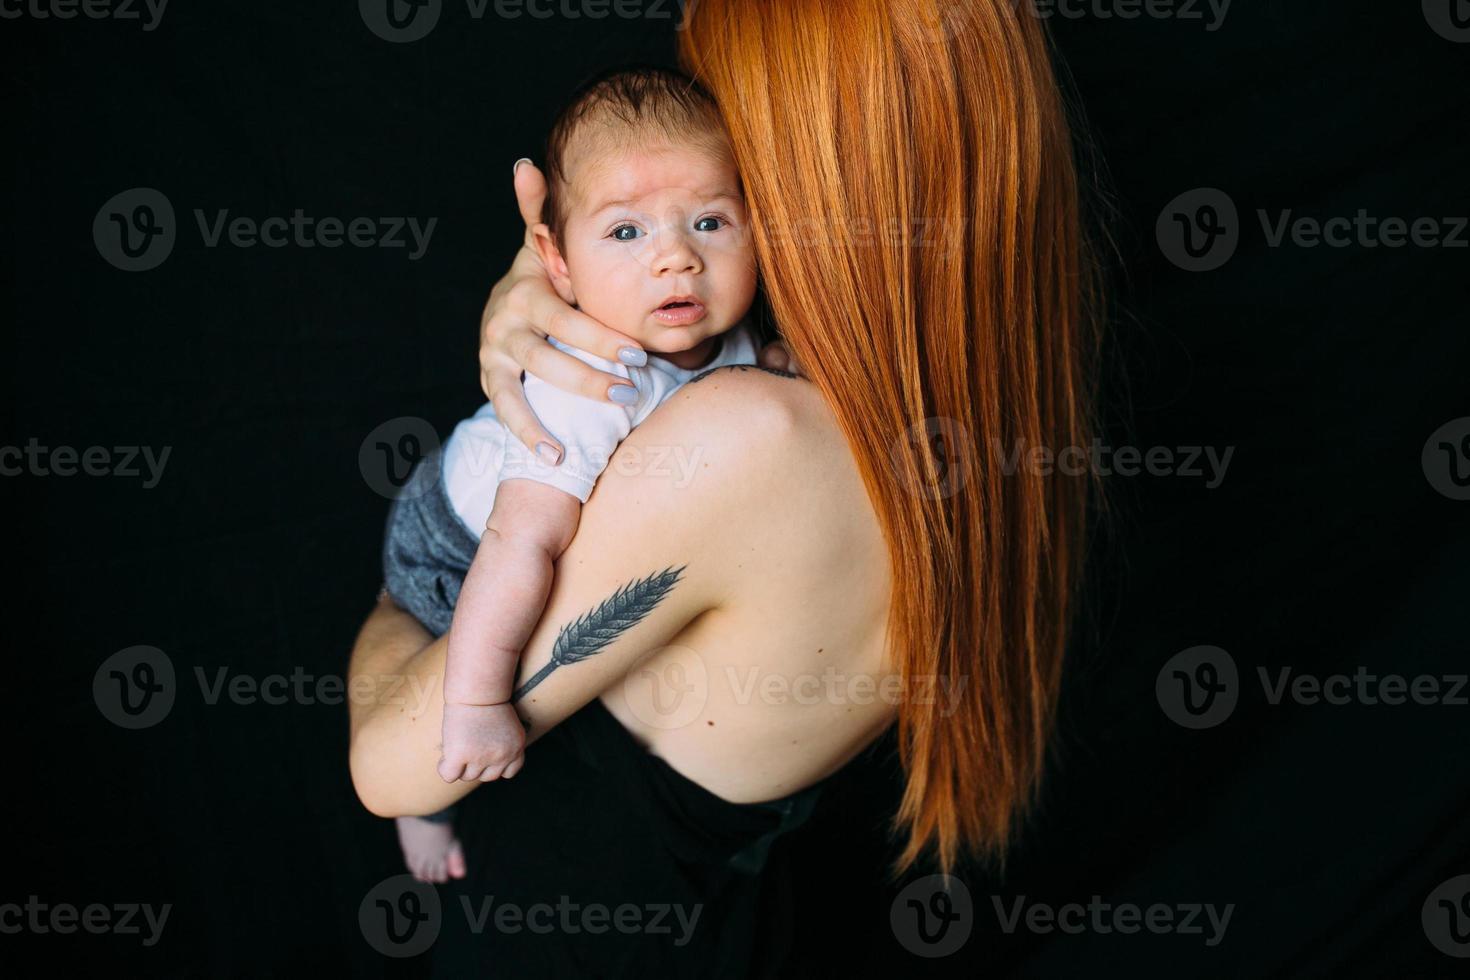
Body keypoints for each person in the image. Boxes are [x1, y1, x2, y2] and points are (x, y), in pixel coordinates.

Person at [349, 0, 1099, 972]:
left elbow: (385, 767)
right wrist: (544, 279)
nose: (677, 244)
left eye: (728, 181)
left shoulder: (746, 438)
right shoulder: (1012, 437)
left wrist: (389, 609)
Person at [381, 66, 778, 883]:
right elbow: (519, 544)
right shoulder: (594, 385)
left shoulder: (732, 338)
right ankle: (426, 808)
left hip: (527, 522)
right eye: (626, 233)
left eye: (709, 221)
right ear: (554, 263)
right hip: (459, 540)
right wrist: (478, 704)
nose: (675, 259)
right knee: (487, 673)